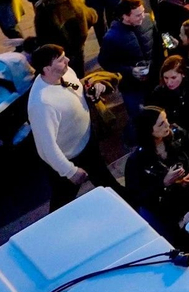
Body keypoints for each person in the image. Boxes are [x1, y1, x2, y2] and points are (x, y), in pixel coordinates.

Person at [26, 44, 124, 209]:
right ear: (47, 69)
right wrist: (70, 171)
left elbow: (76, 89)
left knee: (106, 181)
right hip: (70, 158)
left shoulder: (66, 72)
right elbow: (46, 147)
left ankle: (126, 202)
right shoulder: (42, 103)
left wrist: (92, 89)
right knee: (62, 202)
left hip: (87, 144)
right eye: (61, 60)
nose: (67, 60)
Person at [125, 105, 189, 244]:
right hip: (168, 210)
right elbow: (137, 197)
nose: (167, 125)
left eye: (166, 119)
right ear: (149, 131)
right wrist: (163, 183)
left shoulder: (178, 134)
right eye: (161, 124)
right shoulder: (137, 161)